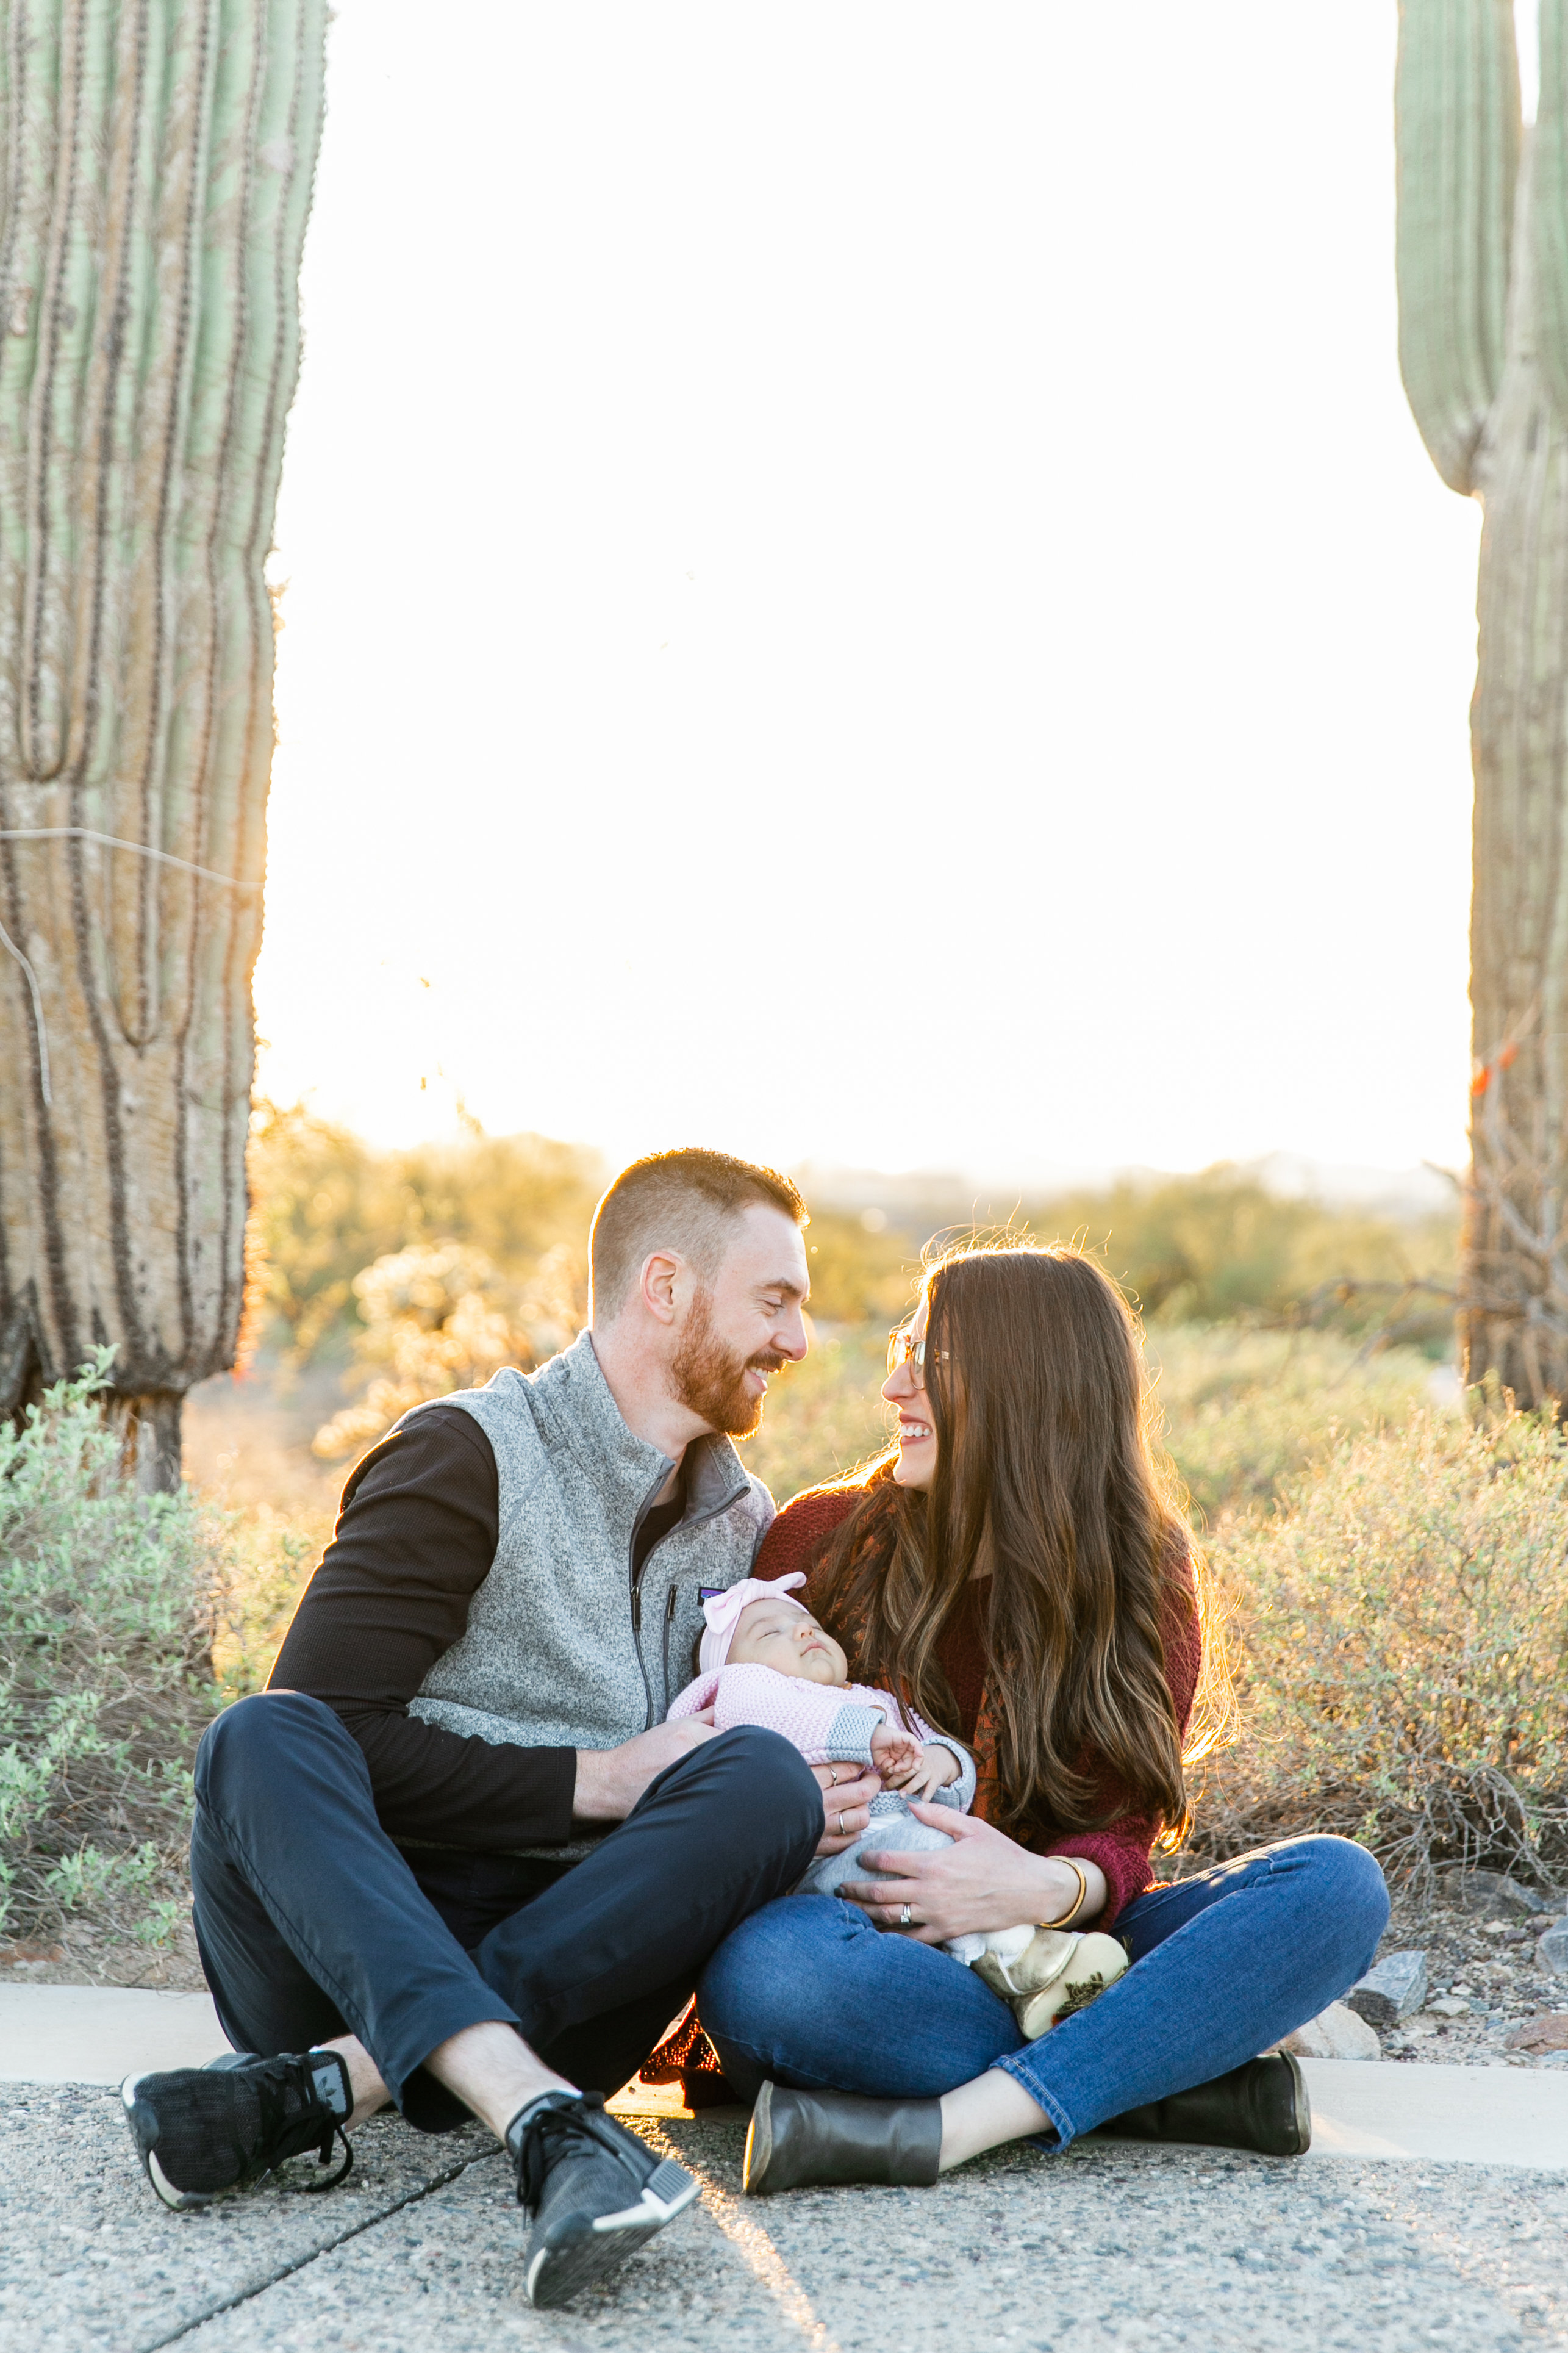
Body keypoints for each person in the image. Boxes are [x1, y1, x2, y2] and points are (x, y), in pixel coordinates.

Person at [119, 1148, 883, 2310]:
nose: (799, 1338)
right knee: (263, 1734)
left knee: (767, 1779)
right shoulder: (468, 1452)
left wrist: (853, 1782)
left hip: (577, 1980)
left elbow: (746, 1755)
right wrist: (605, 1779)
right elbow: (337, 1734)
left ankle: (322, 2095)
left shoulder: (744, 1521)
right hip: (345, 1958)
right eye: (774, 1301)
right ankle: (534, 2117)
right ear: (664, 1287)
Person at [692, 1243, 1391, 2194]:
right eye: (902, 1349)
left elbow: (1121, 1838)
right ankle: (1148, 2072)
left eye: (926, 1361)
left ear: (1025, 1385)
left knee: (1336, 1886)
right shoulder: (820, 1541)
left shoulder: (1138, 1574)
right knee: (768, 1977)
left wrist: (1034, 1886)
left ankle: (952, 2126)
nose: (892, 1384)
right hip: (873, 1946)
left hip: (1062, 1946)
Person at [667, 1576, 1130, 2024]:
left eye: (810, 1624)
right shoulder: (745, 1693)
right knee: (927, 1851)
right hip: (835, 1866)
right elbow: (778, 1716)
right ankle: (1028, 1959)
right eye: (770, 1631)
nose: (804, 1629)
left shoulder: (874, 1698)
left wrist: (938, 1763)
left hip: (917, 1848)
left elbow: (939, 1750)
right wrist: (864, 1737)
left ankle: (1017, 1979)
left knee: (955, 1852)